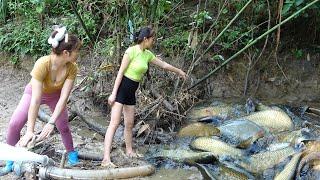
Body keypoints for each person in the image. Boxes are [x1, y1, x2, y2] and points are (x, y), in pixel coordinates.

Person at [0, 26, 82, 176]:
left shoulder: (72, 68)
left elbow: (64, 98)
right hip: (34, 93)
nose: (78, 54)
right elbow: (36, 100)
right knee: (14, 124)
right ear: (66, 53)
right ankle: (10, 161)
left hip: (56, 96)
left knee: (62, 125)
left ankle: (71, 153)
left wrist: (51, 122)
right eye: (77, 51)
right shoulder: (42, 64)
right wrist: (30, 131)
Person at [101, 27, 187, 167]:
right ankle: (106, 158)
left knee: (129, 124)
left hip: (131, 92)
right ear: (145, 39)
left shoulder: (147, 54)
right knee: (114, 123)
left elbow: (164, 65)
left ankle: (129, 151)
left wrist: (179, 71)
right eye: (152, 39)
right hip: (122, 89)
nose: (154, 41)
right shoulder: (131, 51)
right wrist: (113, 93)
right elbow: (120, 73)